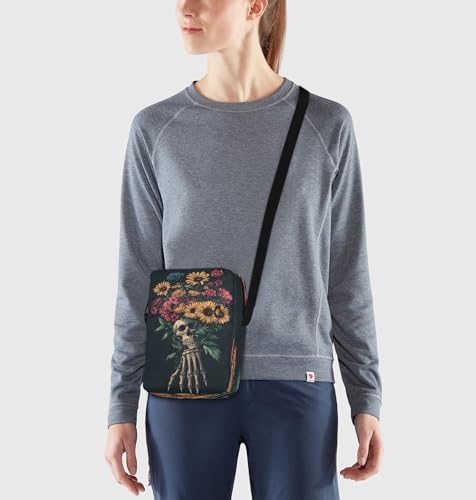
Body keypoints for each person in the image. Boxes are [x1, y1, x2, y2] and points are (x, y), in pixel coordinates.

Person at [104, 1, 384, 498]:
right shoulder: (155, 129)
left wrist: (366, 396)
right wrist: (120, 405)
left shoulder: (326, 125)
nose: (185, 8)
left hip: (298, 380)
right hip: (184, 381)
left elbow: (346, 272)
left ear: (256, 4)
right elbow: (137, 279)